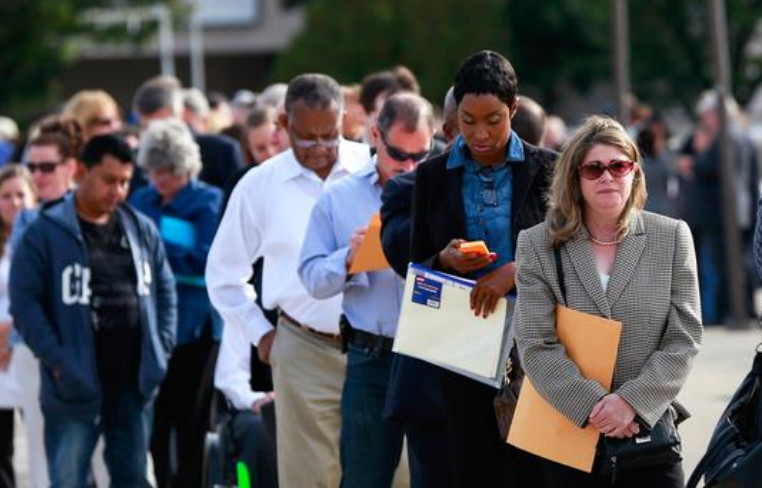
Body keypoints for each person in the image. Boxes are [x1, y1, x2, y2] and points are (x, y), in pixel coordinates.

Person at [513, 115, 703, 486]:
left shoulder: (672, 236)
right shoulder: (537, 244)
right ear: (574, 177)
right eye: (594, 168)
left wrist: (630, 402)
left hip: (649, 433)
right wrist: (595, 407)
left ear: (634, 171)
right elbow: (535, 343)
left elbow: (685, 337)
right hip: (569, 435)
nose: (607, 177)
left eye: (619, 166)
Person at [206, 73, 370, 488]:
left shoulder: (371, 169)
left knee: (389, 472)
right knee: (311, 478)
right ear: (283, 124)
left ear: (345, 120)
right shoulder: (259, 185)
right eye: (306, 137)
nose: (319, 149)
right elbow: (224, 274)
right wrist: (262, 336)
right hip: (303, 347)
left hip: (376, 346)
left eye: (329, 136)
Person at [409, 50, 556, 487]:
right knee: (472, 466)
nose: (480, 133)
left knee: (535, 469)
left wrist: (515, 269)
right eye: (468, 120)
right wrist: (446, 260)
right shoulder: (432, 176)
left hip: (537, 338)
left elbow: (573, 251)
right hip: (461, 337)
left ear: (513, 108)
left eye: (493, 119)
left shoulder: (547, 167)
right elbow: (417, 262)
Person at [10, 134, 177, 488]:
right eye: (109, 179)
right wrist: (58, 361)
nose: (117, 190)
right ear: (82, 171)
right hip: (72, 385)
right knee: (68, 478)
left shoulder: (140, 229)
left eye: (125, 182)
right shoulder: (45, 233)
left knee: (132, 477)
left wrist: (159, 351)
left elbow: (165, 293)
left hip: (133, 383)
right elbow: (24, 304)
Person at [298, 93, 433, 488]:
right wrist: (348, 258)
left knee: (439, 474)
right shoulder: (339, 197)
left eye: (421, 156)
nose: (409, 167)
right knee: (363, 478)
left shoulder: (440, 188)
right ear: (376, 135)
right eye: (398, 154)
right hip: (371, 355)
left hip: (434, 354)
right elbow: (310, 276)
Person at [129, 119, 222, 487]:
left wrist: (155, 248)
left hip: (197, 329)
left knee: (192, 421)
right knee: (156, 420)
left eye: (167, 170)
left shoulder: (208, 200)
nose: (159, 179)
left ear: (185, 166)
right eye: (153, 170)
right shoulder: (140, 199)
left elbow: (206, 259)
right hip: (150, 328)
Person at [132, 76, 245, 190]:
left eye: (162, 123)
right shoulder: (138, 159)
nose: (157, 133)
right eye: (148, 127)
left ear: (182, 113)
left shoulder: (221, 151)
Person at [214, 306, 277, 488]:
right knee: (262, 429)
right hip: (256, 406)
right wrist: (257, 399)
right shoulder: (246, 308)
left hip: (307, 402)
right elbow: (229, 376)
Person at [0, 165, 36, 488]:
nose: (14, 203)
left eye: (20, 195)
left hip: (27, 342)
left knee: (39, 438)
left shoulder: (39, 237)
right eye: (6, 196)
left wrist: (10, 335)